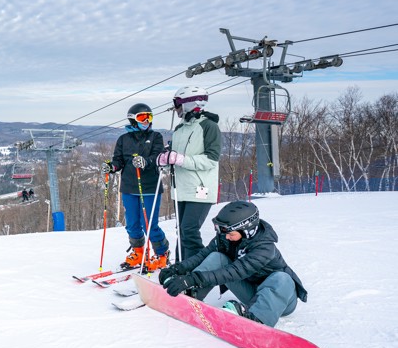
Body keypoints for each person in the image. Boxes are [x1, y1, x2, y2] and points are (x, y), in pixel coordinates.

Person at [158, 200, 307, 327]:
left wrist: (193, 278)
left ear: (247, 231)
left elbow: (235, 271)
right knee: (216, 256)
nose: (227, 237)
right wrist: (177, 269)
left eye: (231, 234)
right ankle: (191, 293)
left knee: (282, 278)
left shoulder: (264, 248)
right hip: (251, 293)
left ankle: (258, 320)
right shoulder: (225, 237)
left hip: (280, 300)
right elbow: (202, 256)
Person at [101, 103, 169, 271]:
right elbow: (119, 160)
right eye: (142, 117)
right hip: (129, 187)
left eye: (149, 117)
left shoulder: (155, 137)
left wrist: (146, 161)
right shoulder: (123, 140)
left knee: (148, 225)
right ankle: (138, 252)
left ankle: (161, 254)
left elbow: (158, 157)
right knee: (132, 224)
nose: (147, 120)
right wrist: (112, 167)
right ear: (133, 120)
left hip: (149, 186)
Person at [157, 86, 221, 261]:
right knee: (182, 230)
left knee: (190, 231)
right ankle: (181, 267)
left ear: (189, 103)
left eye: (177, 103)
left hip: (200, 189)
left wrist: (180, 159)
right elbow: (176, 159)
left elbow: (211, 160)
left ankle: (197, 272)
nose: (176, 108)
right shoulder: (180, 129)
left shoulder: (209, 126)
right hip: (181, 189)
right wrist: (166, 160)